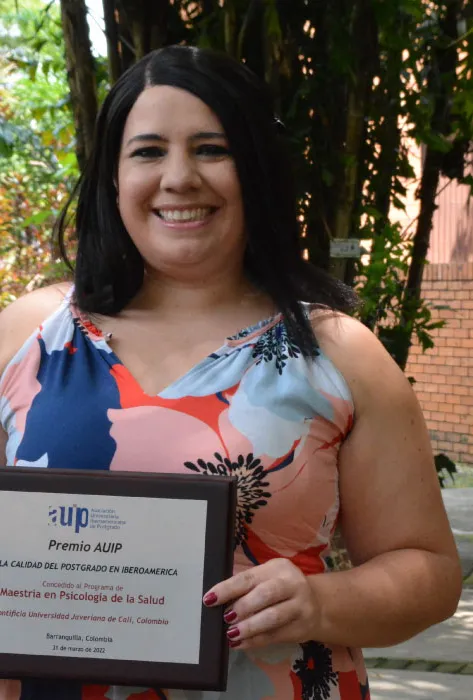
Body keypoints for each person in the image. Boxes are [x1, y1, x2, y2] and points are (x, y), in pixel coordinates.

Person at [0, 45, 462, 700]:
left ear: (256, 169)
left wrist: (318, 602)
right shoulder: (26, 337)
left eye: (211, 149)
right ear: (112, 178)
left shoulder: (339, 354)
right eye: (148, 151)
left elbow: (429, 573)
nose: (179, 177)